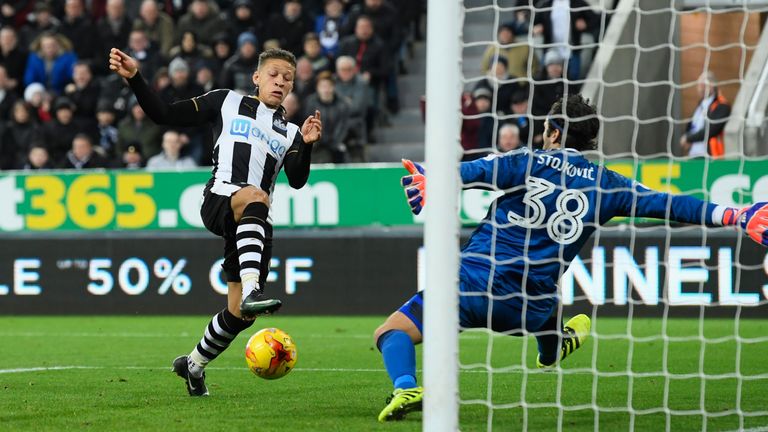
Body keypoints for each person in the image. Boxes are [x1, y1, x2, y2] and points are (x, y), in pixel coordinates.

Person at [372, 93, 768, 422]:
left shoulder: (525, 161)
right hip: (528, 309)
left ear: (555, 132)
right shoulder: (609, 184)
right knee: (544, 292)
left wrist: (429, 178)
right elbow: (671, 206)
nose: (541, 135)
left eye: (545, 129)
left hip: (474, 287)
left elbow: (463, 173)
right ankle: (553, 347)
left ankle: (406, 388)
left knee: (390, 333)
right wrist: (735, 215)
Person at [109, 45, 322, 397]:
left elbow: (297, 179)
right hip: (222, 198)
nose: (280, 82)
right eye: (273, 74)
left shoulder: (292, 132)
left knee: (239, 314)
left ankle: (192, 365)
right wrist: (135, 77)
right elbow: (163, 113)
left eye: (288, 78)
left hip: (252, 223)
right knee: (256, 195)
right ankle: (255, 289)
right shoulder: (226, 101)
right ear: (256, 78)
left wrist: (309, 144)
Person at [679, 71, 731, 158]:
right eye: (699, 85)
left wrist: (689, 138)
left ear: (712, 85)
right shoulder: (700, 105)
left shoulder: (722, 105)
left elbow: (711, 129)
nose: (700, 88)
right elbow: (693, 126)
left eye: (703, 85)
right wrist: (688, 138)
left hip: (712, 156)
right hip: (693, 154)